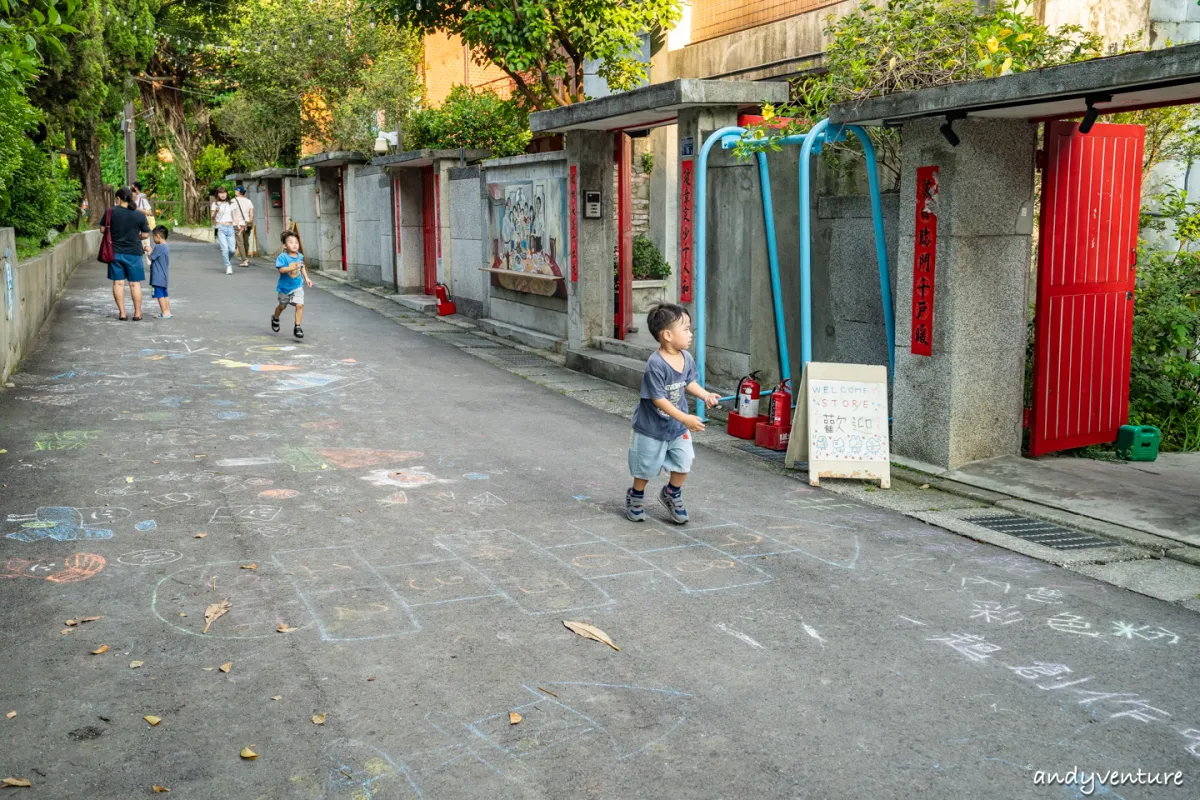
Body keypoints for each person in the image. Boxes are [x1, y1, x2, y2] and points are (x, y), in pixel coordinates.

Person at [625, 303, 720, 524]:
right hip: (651, 428)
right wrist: (684, 417)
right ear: (667, 335)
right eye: (685, 329)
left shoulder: (686, 357)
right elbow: (658, 399)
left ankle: (671, 493)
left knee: (684, 461)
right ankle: (635, 497)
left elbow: (690, 382)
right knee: (645, 468)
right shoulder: (655, 365)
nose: (690, 334)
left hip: (676, 428)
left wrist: (705, 395)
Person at [107, 187, 150, 321]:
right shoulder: (139, 215)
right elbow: (145, 234)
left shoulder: (110, 212)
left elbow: (103, 229)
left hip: (115, 252)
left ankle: (122, 313)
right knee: (134, 284)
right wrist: (135, 237)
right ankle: (137, 313)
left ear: (118, 199)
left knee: (118, 283)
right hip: (134, 253)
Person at [272, 230, 313, 340]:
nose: (294, 244)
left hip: (297, 285)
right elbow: (281, 270)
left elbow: (302, 266)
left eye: (296, 242)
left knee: (300, 305)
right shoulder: (282, 257)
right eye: (291, 242)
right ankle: (275, 318)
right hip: (284, 287)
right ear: (285, 246)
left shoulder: (300, 256)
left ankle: (297, 327)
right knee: (282, 306)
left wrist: (307, 278)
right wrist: (293, 267)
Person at [210, 186, 236, 274]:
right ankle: (228, 265)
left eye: (224, 192)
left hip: (230, 227)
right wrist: (216, 211)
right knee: (225, 249)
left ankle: (226, 259)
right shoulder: (215, 204)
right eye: (220, 193)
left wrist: (239, 225)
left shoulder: (231, 203)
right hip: (220, 227)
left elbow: (234, 216)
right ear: (217, 194)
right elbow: (212, 217)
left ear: (227, 193)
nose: (223, 195)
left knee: (232, 250)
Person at [149, 226, 171, 319]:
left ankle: (164, 312)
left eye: (153, 237)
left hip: (157, 276)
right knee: (165, 294)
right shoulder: (165, 246)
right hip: (164, 276)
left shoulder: (159, 247)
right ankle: (168, 311)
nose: (153, 239)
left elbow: (151, 257)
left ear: (158, 236)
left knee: (159, 295)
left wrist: (148, 250)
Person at [232, 185, 255, 267]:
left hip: (237, 224)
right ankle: (246, 257)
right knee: (246, 241)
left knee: (240, 242)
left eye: (235, 190)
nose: (234, 192)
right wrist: (250, 222)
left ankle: (244, 261)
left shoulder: (233, 201)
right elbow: (252, 214)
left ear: (238, 191)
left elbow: (232, 214)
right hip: (247, 224)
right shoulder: (249, 201)